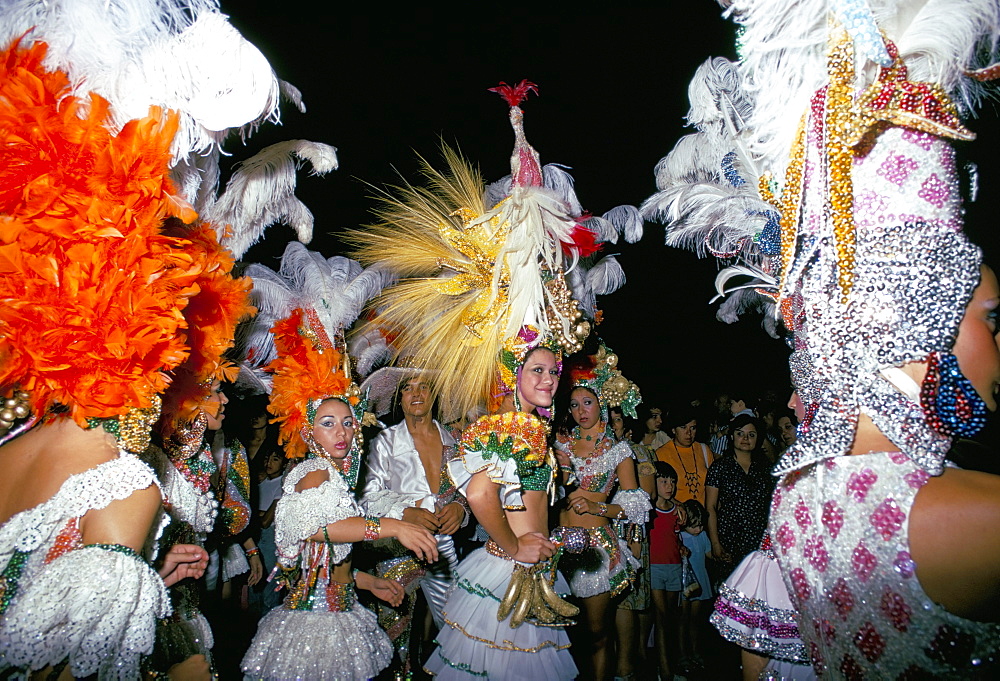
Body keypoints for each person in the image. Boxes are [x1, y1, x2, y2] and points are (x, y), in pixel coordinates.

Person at [351, 80, 601, 680]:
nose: (548, 380)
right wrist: (516, 548)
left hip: (530, 569)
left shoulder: (534, 430)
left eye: (553, 372)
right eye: (537, 372)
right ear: (515, 379)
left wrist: (557, 539)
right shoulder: (504, 425)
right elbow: (482, 493)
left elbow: (529, 504)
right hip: (505, 571)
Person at [239, 246, 438, 681]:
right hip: (313, 626)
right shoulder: (311, 472)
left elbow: (326, 559)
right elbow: (318, 528)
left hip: (338, 609)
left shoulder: (335, 476)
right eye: (328, 423)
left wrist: (369, 583)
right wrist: (395, 526)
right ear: (309, 432)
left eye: (348, 422)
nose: (342, 432)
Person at [360, 374, 468, 675]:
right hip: (396, 550)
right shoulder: (385, 442)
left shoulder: (455, 441)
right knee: (393, 637)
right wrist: (404, 513)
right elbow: (365, 499)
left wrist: (460, 508)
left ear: (435, 395)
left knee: (458, 628)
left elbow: (469, 490)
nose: (416, 394)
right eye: (407, 388)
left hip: (443, 549)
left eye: (424, 386)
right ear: (399, 398)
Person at [554, 345, 648, 681]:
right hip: (557, 546)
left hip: (597, 548)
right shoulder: (559, 444)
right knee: (558, 634)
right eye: (574, 404)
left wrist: (598, 507)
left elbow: (634, 505)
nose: (581, 410)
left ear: (601, 406)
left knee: (596, 633)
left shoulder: (618, 449)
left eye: (588, 403)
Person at [613, 407, 657, 681]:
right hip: (600, 531)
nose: (612, 424)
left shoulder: (640, 454)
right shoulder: (594, 449)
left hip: (630, 532)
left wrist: (634, 537)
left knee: (629, 599)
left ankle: (629, 664)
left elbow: (647, 497)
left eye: (618, 419)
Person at [704, 414, 774, 571]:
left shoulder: (765, 469)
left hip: (759, 540)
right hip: (729, 540)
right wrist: (715, 544)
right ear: (731, 436)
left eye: (751, 435)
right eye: (740, 433)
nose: (745, 438)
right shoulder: (719, 468)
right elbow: (710, 508)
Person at [648, 462, 688, 681]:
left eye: (672, 481)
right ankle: (664, 671)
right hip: (654, 567)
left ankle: (668, 668)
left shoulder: (676, 511)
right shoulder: (648, 508)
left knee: (670, 618)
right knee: (661, 618)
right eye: (663, 481)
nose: (669, 485)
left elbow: (675, 536)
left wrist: (681, 547)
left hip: (674, 566)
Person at [678, 499, 713, 676]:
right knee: (683, 619)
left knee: (695, 620)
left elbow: (709, 554)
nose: (698, 529)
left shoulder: (703, 535)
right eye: (694, 526)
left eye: (700, 525)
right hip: (685, 583)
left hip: (701, 581)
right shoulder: (681, 537)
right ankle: (682, 653)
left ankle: (694, 651)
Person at [655, 408, 715, 504]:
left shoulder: (703, 449)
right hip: (678, 512)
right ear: (674, 430)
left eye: (693, 428)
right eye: (683, 427)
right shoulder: (661, 453)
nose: (689, 433)